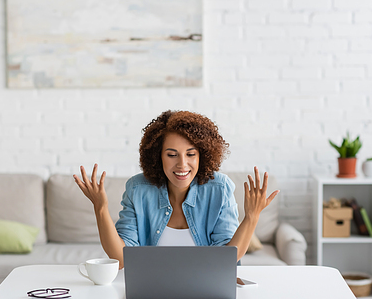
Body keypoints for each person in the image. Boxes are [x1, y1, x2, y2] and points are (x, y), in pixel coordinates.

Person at [74, 110, 279, 269]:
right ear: (157, 157)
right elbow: (120, 259)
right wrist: (100, 208)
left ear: (202, 155)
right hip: (152, 290)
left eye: (191, 154)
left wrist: (251, 216)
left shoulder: (219, 188)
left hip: (205, 287)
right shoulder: (138, 190)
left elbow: (227, 258)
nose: (182, 164)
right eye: (172, 155)